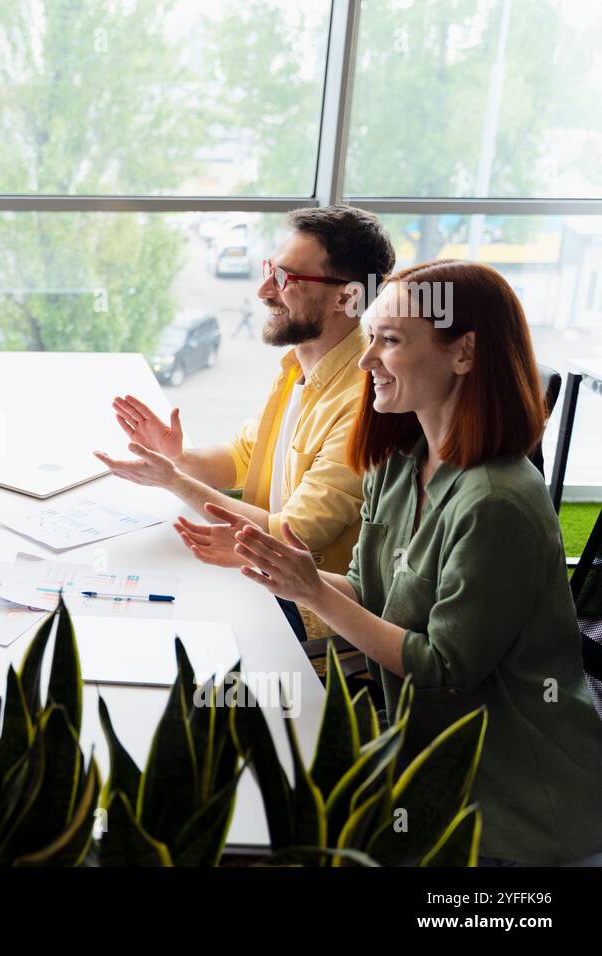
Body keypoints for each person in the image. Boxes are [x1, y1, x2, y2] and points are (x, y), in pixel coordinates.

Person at [200, 260, 602, 865]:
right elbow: (367, 589)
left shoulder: (497, 504)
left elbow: (444, 667)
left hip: (512, 812)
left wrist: (311, 591)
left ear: (464, 354)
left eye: (388, 341)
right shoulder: (401, 459)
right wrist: (277, 565)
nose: (365, 362)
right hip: (422, 761)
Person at [96, 205, 396, 640]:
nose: (263, 290)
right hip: (258, 576)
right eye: (270, 269)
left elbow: (292, 535)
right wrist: (178, 456)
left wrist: (174, 480)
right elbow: (241, 457)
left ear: (347, 297)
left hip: (302, 616)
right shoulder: (297, 367)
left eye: (286, 278)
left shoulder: (365, 400)